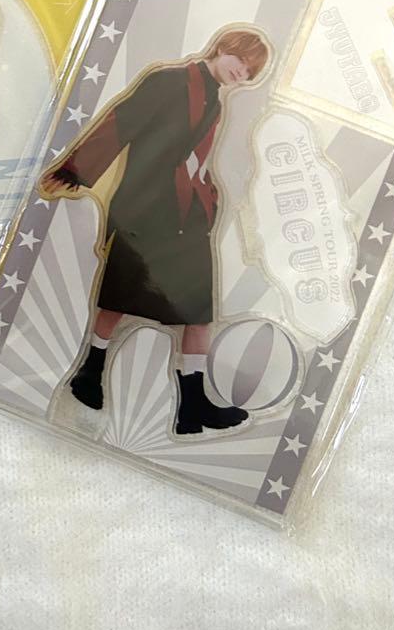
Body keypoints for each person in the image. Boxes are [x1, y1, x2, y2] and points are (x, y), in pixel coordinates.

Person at [39, 27, 271, 436]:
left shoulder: (215, 102)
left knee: (199, 311)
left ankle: (193, 405)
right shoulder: (169, 80)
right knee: (119, 295)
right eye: (241, 61)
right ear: (222, 48)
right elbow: (121, 122)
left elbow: (196, 158)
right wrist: (77, 169)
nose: (243, 73)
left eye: (250, 71)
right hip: (146, 208)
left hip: (188, 215)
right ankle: (89, 372)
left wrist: (209, 198)